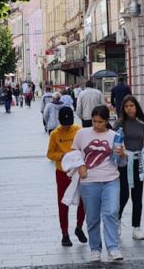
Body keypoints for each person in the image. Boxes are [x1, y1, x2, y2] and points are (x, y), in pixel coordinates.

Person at [73, 105, 126, 262]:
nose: (97, 125)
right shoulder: (82, 133)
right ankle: (95, 248)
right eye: (94, 121)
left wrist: (122, 154)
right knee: (92, 217)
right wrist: (80, 165)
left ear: (107, 121)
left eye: (100, 122)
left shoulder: (115, 136)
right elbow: (73, 153)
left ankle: (113, 248)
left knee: (111, 212)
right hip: (89, 181)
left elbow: (122, 163)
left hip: (111, 179)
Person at [113, 95, 144, 240]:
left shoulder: (142, 124)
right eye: (127, 106)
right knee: (123, 194)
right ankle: (117, 222)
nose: (129, 108)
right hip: (124, 162)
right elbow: (114, 141)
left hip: (138, 161)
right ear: (123, 109)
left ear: (136, 107)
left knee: (138, 196)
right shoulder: (119, 123)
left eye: (132, 105)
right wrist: (120, 150)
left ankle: (137, 227)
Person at [47, 106, 87, 247]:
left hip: (78, 171)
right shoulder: (54, 134)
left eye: (69, 123)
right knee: (63, 203)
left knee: (83, 200)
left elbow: (85, 148)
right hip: (62, 172)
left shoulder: (79, 130)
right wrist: (62, 155)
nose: (66, 126)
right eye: (64, 124)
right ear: (58, 120)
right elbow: (50, 154)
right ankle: (64, 234)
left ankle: (79, 227)